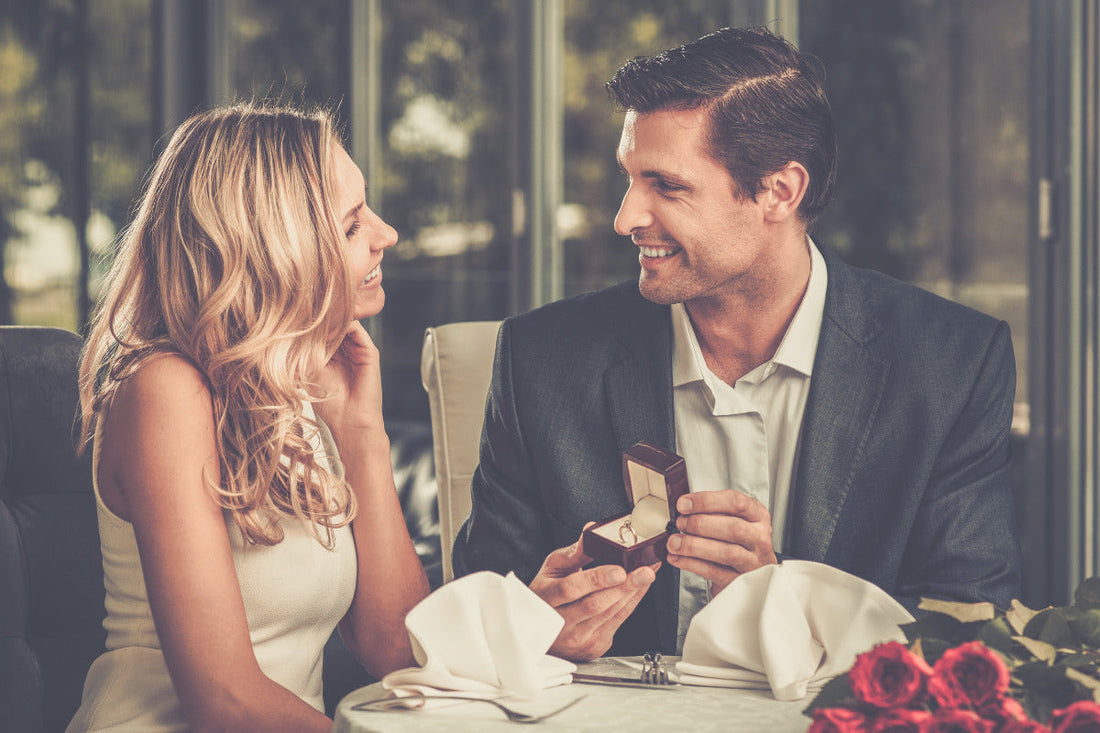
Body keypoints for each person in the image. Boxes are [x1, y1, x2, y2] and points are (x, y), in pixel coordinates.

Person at [451, 26, 1021, 661]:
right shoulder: (540, 359)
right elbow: (477, 610)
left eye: (666, 186)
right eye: (629, 178)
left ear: (779, 191)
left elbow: (965, 627)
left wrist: (781, 603)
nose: (625, 217)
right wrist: (534, 632)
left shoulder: (951, 363)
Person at [67, 103, 429, 732]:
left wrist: (360, 430)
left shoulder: (292, 392)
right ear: (274, 249)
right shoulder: (167, 389)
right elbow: (223, 702)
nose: (386, 233)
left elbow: (397, 650)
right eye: (350, 226)